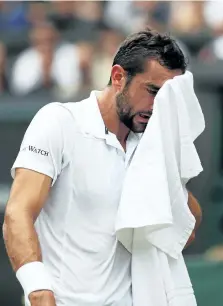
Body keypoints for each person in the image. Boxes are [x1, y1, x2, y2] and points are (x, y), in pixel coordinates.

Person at [3, 29, 202, 306]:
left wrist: (168, 161)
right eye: (153, 91)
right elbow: (18, 213)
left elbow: (186, 228)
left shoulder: (152, 143)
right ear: (119, 77)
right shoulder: (59, 122)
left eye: (167, 98)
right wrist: (38, 290)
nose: (157, 106)